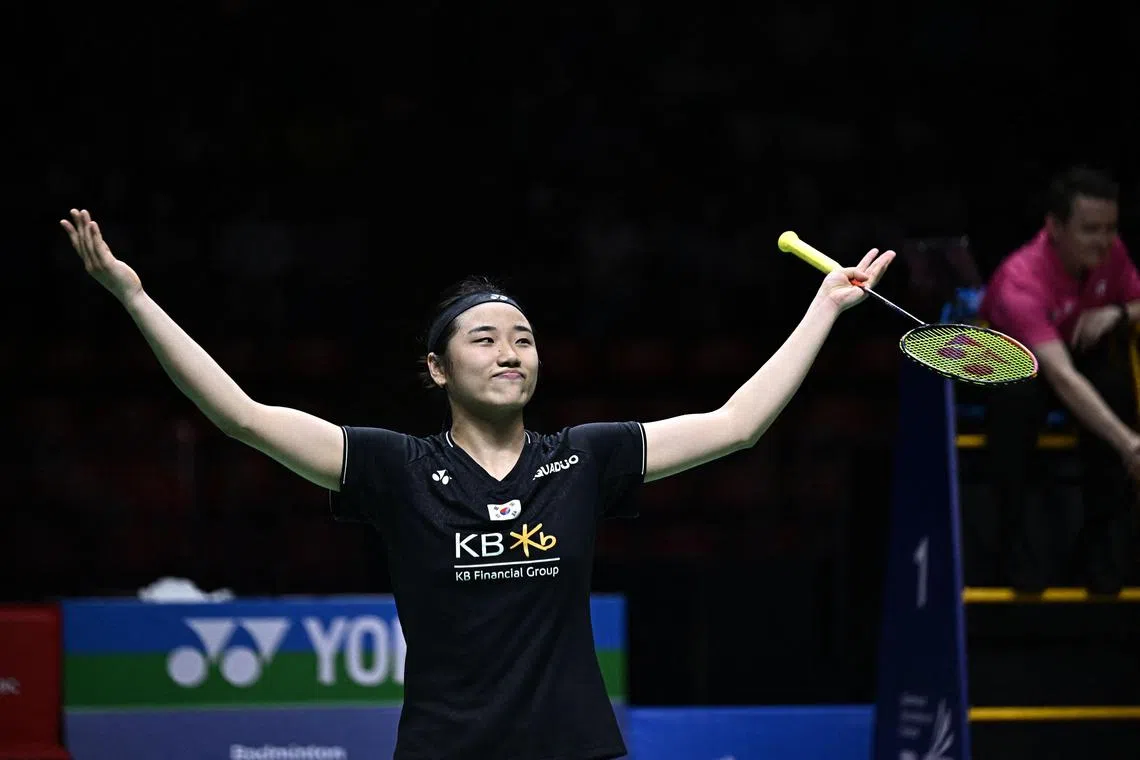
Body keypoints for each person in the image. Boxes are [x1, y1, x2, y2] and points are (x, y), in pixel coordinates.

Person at [60, 207, 894, 760]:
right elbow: (240, 414)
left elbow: (737, 423)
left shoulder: (584, 457)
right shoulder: (395, 468)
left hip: (576, 747)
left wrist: (822, 308)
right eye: (486, 337)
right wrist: (134, 297)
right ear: (436, 368)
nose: (509, 351)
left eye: (524, 338)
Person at [979, 166, 1140, 594]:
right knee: (1019, 400)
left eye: (1110, 229)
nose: (1104, 241)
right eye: (1090, 230)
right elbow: (1062, 378)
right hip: (1014, 370)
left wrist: (1120, 312)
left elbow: (1137, 300)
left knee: (1116, 386)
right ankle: (1015, 558)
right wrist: (1130, 445)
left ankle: (1102, 558)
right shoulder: (1021, 279)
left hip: (1068, 357)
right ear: (1054, 227)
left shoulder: (1113, 253)